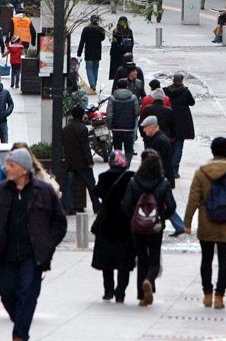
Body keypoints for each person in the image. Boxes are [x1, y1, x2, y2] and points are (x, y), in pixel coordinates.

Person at [0, 148, 67, 341]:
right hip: (6, 253)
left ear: (24, 170)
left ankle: (20, 335)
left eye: (11, 165)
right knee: (5, 292)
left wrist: (48, 244)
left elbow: (60, 221)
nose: (6, 168)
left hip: (33, 254)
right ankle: (21, 323)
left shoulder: (44, 191)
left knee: (27, 292)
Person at [184, 137, 226, 309]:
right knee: (224, 261)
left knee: (206, 259)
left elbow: (193, 198)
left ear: (212, 151)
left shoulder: (202, 171)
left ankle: (207, 294)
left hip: (206, 221)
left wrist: (187, 222)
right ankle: (220, 296)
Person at [122, 150, 177, 306]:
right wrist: (161, 216)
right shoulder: (163, 183)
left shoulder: (134, 182)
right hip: (155, 226)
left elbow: (125, 205)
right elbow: (172, 206)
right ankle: (149, 281)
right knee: (154, 258)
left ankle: (141, 294)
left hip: (138, 226)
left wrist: (134, 216)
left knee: (142, 259)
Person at [91, 150, 136, 303]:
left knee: (107, 260)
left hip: (107, 222)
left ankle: (108, 290)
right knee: (124, 260)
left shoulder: (104, 177)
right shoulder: (131, 178)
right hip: (125, 223)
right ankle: (121, 292)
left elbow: (96, 192)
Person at [62, 105, 103, 214]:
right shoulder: (82, 129)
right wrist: (90, 162)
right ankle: (97, 206)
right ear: (81, 115)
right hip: (82, 164)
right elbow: (85, 148)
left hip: (70, 163)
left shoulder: (66, 129)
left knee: (69, 186)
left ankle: (68, 207)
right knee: (91, 185)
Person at [163, 73, 196, 178]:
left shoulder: (166, 91)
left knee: (170, 147)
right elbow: (192, 102)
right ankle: (174, 170)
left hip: (169, 120)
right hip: (181, 123)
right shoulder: (185, 92)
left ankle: (167, 169)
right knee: (178, 147)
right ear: (181, 81)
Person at [108, 79, 140, 165]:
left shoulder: (112, 98)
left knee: (117, 150)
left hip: (116, 128)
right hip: (129, 128)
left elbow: (110, 114)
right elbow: (137, 111)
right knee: (129, 150)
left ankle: (119, 166)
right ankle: (127, 165)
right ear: (127, 87)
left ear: (117, 87)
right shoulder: (133, 97)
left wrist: (109, 126)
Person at [77, 15, 106, 90]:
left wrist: (79, 53)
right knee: (95, 68)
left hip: (89, 52)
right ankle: (94, 84)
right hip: (97, 52)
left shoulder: (86, 29)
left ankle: (92, 84)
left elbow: (82, 41)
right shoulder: (101, 30)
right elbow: (103, 38)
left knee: (89, 68)